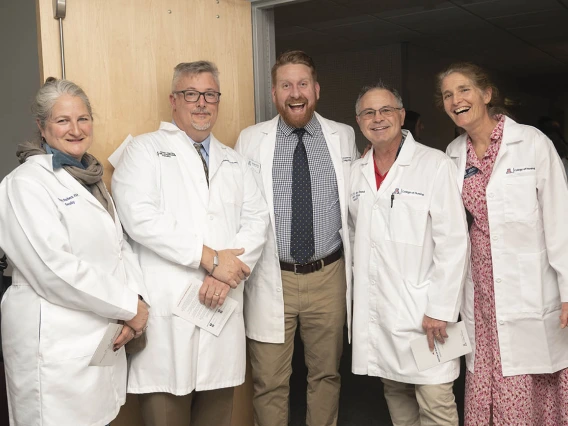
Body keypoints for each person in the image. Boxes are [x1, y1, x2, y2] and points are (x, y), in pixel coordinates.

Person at [111, 61, 269, 426]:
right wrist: (210, 260)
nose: (202, 103)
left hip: (221, 305)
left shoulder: (236, 161)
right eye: (191, 94)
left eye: (210, 94)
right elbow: (139, 217)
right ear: (174, 100)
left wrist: (222, 275)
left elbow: (256, 221)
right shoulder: (144, 150)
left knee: (217, 414)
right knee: (166, 414)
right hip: (169, 310)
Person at [0, 78, 149, 426]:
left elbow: (118, 247)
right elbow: (54, 270)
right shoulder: (25, 185)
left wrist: (136, 301)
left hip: (96, 335)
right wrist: (129, 307)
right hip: (54, 343)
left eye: (83, 119)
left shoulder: (90, 179)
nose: (75, 129)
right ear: (42, 126)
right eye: (62, 120)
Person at [440, 62, 568, 425]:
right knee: (485, 372)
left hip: (530, 286)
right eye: (448, 95)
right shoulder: (452, 153)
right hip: (480, 293)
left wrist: (567, 289)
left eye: (464, 90)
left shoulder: (531, 143)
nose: (456, 100)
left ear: (486, 94)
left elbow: (560, 219)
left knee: (529, 373)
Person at [235, 50, 358, 426]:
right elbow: (239, 208)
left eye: (302, 83)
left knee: (326, 375)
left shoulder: (344, 136)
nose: (295, 92)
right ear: (274, 94)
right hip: (273, 275)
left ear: (316, 89)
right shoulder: (250, 139)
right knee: (270, 380)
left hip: (328, 275)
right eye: (285, 85)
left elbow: (354, 205)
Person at [349, 82, 468, 426]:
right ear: (359, 121)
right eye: (369, 112)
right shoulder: (356, 172)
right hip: (381, 313)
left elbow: (453, 241)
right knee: (397, 398)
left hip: (427, 314)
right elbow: (358, 234)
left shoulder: (434, 164)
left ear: (401, 116)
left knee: (435, 402)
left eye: (386, 110)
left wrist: (440, 309)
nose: (378, 118)